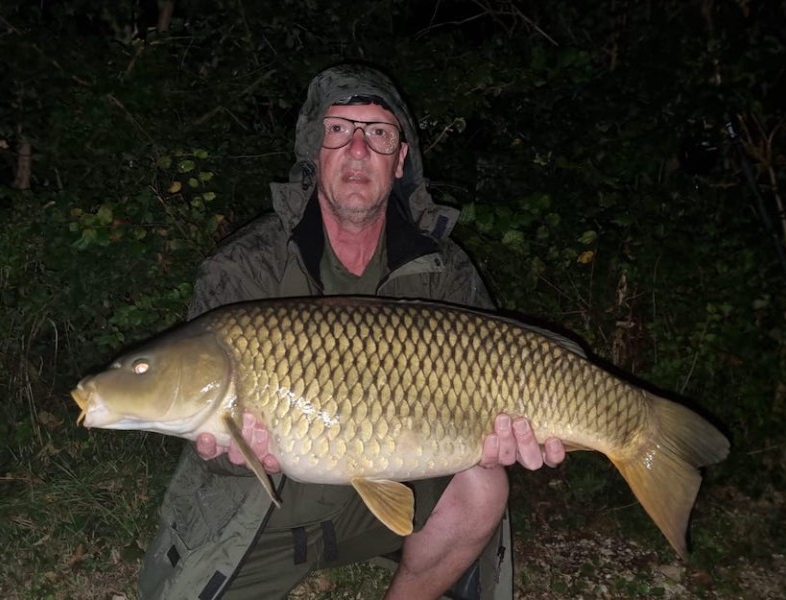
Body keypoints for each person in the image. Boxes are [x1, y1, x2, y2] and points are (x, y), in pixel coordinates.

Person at [138, 63, 568, 600]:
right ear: (314, 152)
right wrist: (226, 455)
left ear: (401, 159)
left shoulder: (445, 269)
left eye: (379, 134)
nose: (359, 150)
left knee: (483, 485)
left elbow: (504, 381)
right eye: (340, 130)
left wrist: (508, 437)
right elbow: (209, 435)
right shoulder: (242, 267)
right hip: (265, 518)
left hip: (389, 506)